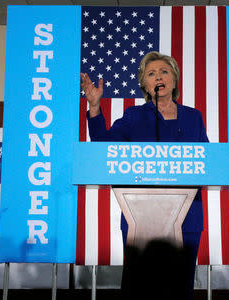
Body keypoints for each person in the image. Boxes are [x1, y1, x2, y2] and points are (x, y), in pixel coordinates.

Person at [81, 51, 209, 299]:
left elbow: (207, 163)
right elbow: (104, 149)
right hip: (139, 215)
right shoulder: (133, 116)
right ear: (144, 84)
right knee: (140, 289)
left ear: (174, 79)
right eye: (151, 73)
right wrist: (94, 107)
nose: (158, 77)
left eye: (164, 71)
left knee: (180, 289)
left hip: (187, 216)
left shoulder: (194, 117)